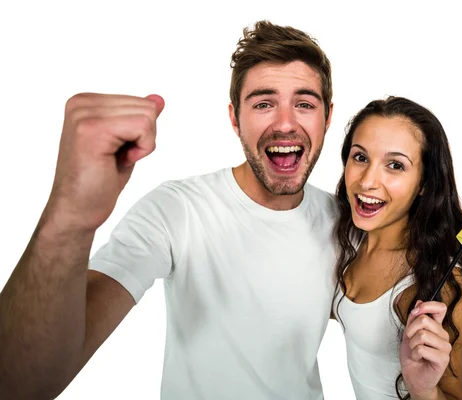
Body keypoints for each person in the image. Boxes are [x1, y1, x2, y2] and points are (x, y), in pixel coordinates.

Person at [0, 20, 337, 399]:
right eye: (263, 103)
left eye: (305, 104)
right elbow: (20, 385)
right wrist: (69, 218)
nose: (286, 123)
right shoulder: (177, 210)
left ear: (327, 118)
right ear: (234, 119)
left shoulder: (344, 222)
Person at [331, 96, 462, 399]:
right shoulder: (349, 239)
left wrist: (423, 388)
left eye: (395, 165)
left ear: (424, 182)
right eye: (360, 157)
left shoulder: (436, 283)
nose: (368, 181)